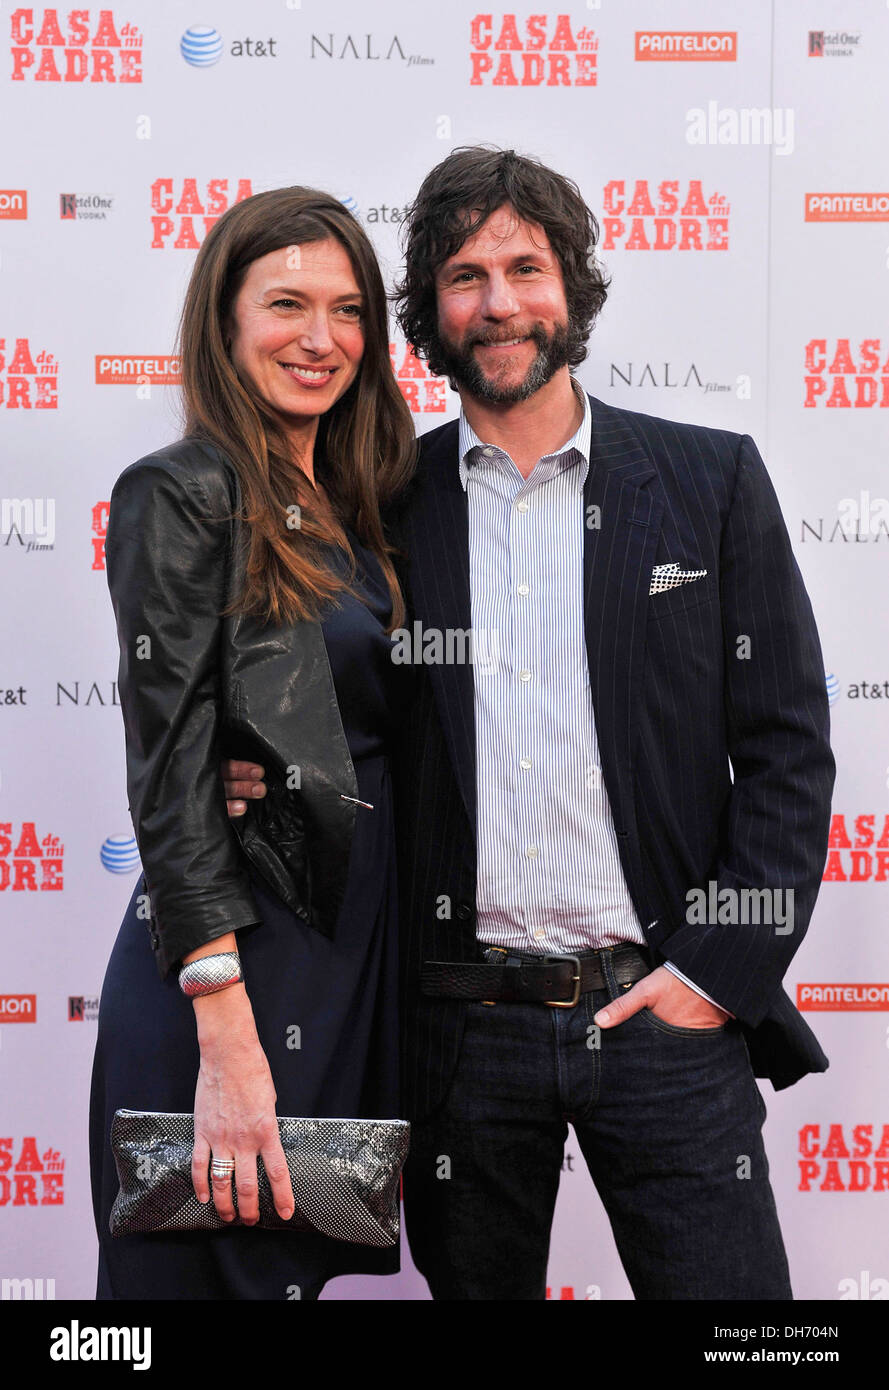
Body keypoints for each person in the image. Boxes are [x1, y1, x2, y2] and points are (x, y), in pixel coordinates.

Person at [223, 147, 835, 1301]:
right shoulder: (378, 505)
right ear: (429, 314)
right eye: (464, 275)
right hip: (463, 1032)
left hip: (663, 1008)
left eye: (524, 267)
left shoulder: (707, 483)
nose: (499, 302)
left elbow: (787, 749)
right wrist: (240, 773)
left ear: (573, 288)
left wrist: (717, 970)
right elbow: (333, 720)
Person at [89, 186, 417, 1301]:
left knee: (281, 1268)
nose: (318, 338)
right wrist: (224, 1033)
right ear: (225, 324)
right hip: (231, 961)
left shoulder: (362, 506)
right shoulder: (180, 495)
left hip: (342, 955)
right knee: (193, 1275)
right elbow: (171, 766)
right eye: (285, 304)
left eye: (344, 309)